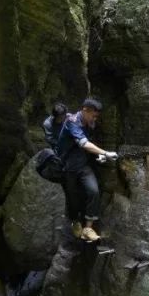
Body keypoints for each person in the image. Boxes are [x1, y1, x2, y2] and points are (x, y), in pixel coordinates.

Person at [55, 98, 119, 242]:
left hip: (83, 164)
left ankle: (88, 228)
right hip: (68, 166)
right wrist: (105, 153)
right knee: (72, 198)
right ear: (85, 110)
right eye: (93, 115)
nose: (95, 119)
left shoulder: (90, 123)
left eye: (96, 116)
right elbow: (83, 143)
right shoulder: (71, 121)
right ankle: (75, 222)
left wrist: (98, 156)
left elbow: (89, 143)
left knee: (93, 191)